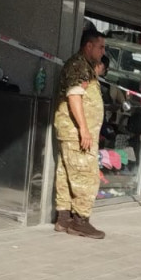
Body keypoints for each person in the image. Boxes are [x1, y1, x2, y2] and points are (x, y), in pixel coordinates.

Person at [52, 29, 107, 239]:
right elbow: (74, 97)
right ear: (89, 46)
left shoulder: (85, 66)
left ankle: (64, 219)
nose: (103, 52)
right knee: (87, 176)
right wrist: (84, 129)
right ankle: (80, 221)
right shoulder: (79, 65)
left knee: (66, 175)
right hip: (76, 133)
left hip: (71, 132)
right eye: (100, 47)